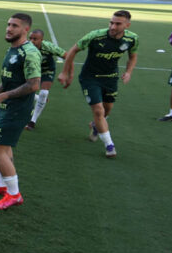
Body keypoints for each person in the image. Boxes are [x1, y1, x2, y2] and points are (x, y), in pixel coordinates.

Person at [0, 13, 40, 210]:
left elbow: (33, 85)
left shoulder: (28, 53)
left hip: (17, 108)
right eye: (8, 24)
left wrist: (2, 97)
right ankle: (2, 185)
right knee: (5, 148)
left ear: (25, 30)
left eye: (14, 26)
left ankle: (14, 194)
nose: (9, 28)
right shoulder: (12, 50)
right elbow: (7, 81)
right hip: (8, 107)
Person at [58, 10, 139, 158]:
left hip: (111, 78)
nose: (113, 27)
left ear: (127, 25)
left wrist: (129, 71)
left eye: (118, 24)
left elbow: (133, 56)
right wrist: (65, 72)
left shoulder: (132, 39)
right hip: (90, 78)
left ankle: (96, 126)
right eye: (111, 22)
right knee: (98, 111)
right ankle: (110, 145)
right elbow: (73, 50)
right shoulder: (95, 36)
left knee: (106, 110)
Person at [25, 29, 66, 130]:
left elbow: (66, 55)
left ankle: (32, 121)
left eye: (35, 39)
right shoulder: (25, 47)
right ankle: (38, 99)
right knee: (24, 91)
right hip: (33, 71)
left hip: (47, 70)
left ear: (41, 39)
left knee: (44, 93)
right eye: (30, 38)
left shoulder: (48, 46)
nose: (32, 41)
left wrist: (66, 72)